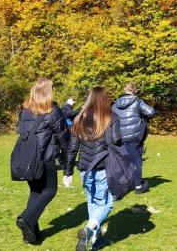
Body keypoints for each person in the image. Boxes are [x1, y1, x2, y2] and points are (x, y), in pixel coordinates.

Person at [63, 87, 122, 251]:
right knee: (107, 204)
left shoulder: (79, 117)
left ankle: (97, 239)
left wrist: (68, 171)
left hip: (84, 168)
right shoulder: (111, 117)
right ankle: (89, 230)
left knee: (93, 202)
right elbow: (116, 141)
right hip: (103, 167)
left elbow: (72, 147)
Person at [15, 78, 69, 245]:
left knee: (36, 192)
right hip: (45, 158)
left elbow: (21, 131)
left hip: (27, 158)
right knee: (50, 190)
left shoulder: (24, 110)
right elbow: (63, 137)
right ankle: (26, 218)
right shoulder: (53, 110)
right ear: (48, 92)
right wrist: (69, 158)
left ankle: (31, 235)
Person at [111, 82, 155, 194]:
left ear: (124, 89)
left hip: (119, 137)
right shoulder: (137, 101)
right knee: (137, 162)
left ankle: (120, 186)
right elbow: (151, 112)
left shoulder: (115, 104)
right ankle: (138, 186)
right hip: (134, 137)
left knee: (122, 162)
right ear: (135, 90)